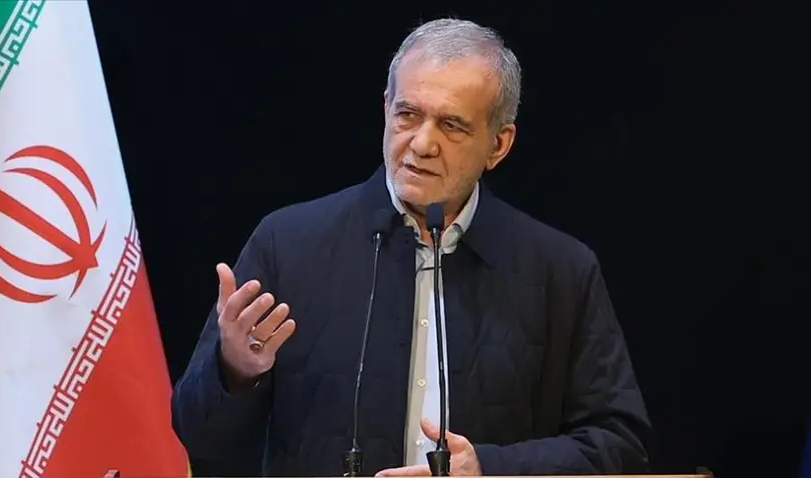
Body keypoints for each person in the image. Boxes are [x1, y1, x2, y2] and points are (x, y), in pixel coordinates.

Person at [172, 18, 651, 477]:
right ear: (386, 109)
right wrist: (234, 371)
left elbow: (619, 445)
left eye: (452, 125)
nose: (422, 144)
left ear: (498, 145)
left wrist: (491, 470)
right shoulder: (288, 244)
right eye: (408, 115)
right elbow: (197, 436)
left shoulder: (559, 272)